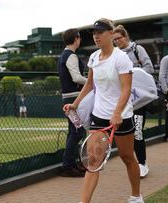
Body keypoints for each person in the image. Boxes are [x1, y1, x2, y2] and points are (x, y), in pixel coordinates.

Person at [63, 18, 143, 203]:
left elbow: (126, 89)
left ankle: (136, 196)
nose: (96, 36)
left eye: (100, 32)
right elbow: (90, 84)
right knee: (93, 162)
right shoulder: (93, 57)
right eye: (94, 33)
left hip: (122, 117)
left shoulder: (121, 58)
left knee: (127, 157)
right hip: (98, 117)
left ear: (111, 34)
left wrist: (117, 113)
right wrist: (75, 103)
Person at [113, 25, 153, 178]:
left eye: (119, 38)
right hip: (122, 100)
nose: (117, 41)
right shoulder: (115, 54)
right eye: (114, 39)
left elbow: (149, 68)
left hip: (138, 98)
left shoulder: (138, 49)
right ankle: (133, 163)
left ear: (126, 36)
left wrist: (133, 74)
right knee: (126, 134)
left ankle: (142, 163)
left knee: (137, 131)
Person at [58, 28, 87, 177]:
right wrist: (91, 82)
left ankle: (72, 163)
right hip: (73, 99)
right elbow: (76, 78)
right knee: (77, 131)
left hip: (69, 98)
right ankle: (67, 166)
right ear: (76, 38)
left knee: (74, 131)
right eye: (79, 37)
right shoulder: (71, 56)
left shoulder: (65, 55)